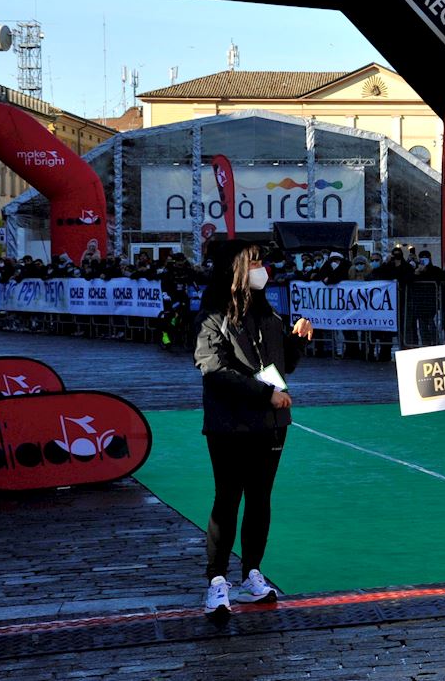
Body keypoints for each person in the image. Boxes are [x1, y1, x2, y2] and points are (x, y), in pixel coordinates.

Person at [193, 240, 314, 622]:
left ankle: (252, 574)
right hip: (231, 423)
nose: (263, 268)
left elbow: (284, 365)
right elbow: (212, 369)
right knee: (227, 500)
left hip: (271, 425)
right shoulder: (213, 315)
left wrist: (297, 338)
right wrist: (265, 394)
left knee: (260, 499)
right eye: (255, 261)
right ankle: (216, 581)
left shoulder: (268, 312)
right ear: (235, 268)